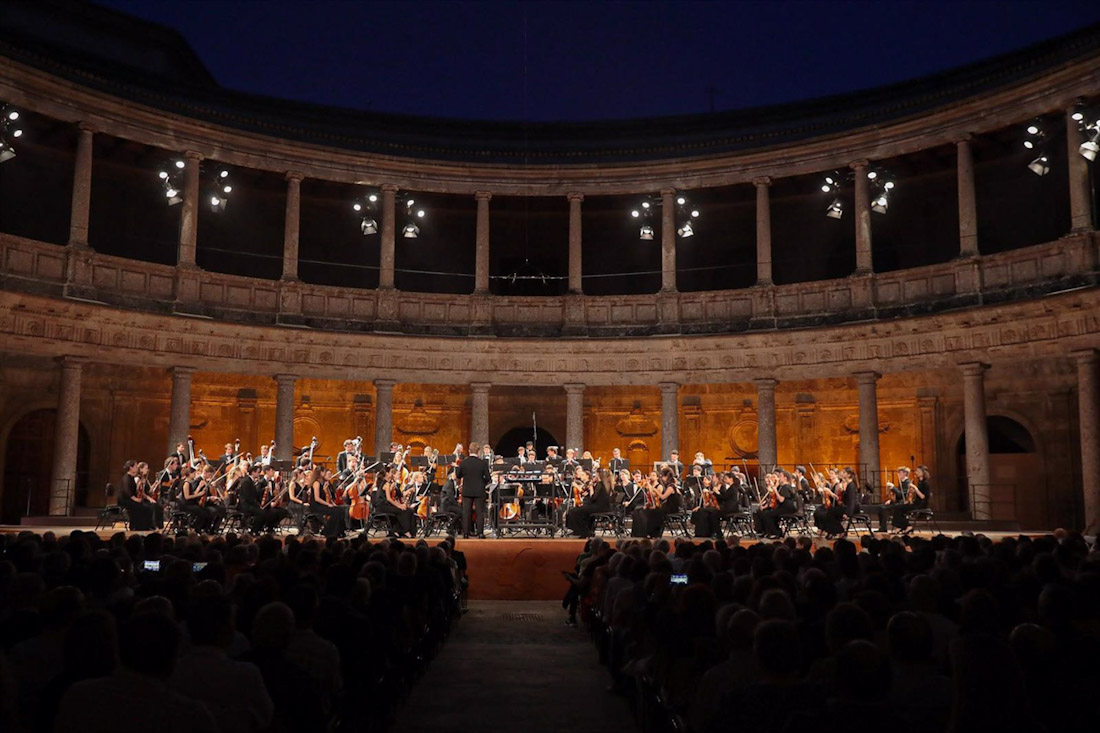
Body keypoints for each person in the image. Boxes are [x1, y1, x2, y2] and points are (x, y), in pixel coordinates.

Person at [456, 441, 491, 538]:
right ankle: (480, 533)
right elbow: (488, 478)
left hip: (467, 490)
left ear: (469, 451)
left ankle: (466, 533)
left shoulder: (464, 463)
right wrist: (482, 482)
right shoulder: (482, 463)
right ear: (478, 451)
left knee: (466, 512)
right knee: (480, 512)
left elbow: (458, 475)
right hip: (479, 491)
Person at [566, 469, 610, 538]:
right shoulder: (602, 484)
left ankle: (585, 532)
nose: (594, 476)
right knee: (574, 510)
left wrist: (591, 487)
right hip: (598, 505)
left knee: (577, 511)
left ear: (598, 475)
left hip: (599, 507)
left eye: (595, 475)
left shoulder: (600, 484)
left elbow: (593, 498)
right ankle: (582, 531)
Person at [892, 465, 931, 534]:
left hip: (921, 505)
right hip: (916, 503)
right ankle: (905, 526)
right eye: (917, 471)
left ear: (923, 473)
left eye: (918, 471)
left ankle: (903, 526)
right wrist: (913, 491)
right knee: (898, 507)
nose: (916, 472)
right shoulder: (920, 482)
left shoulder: (925, 483)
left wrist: (915, 488)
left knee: (899, 508)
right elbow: (918, 494)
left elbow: (923, 497)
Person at [118, 460, 156, 531]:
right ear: (130, 468)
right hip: (125, 500)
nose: (137, 468)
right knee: (143, 507)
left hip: (130, 499)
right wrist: (136, 499)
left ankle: (145, 526)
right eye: (135, 466)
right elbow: (127, 492)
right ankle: (138, 527)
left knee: (147, 507)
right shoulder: (127, 478)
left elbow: (135, 490)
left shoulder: (132, 477)